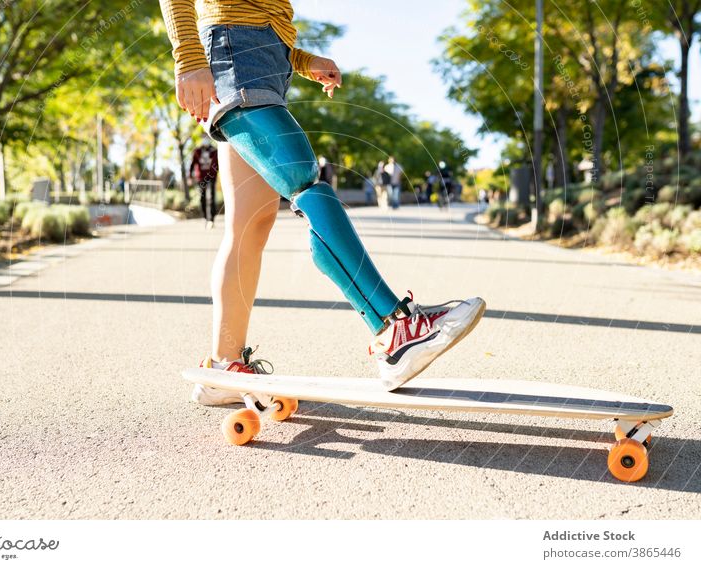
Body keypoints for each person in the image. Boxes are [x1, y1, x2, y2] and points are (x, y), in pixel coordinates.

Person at [160, 0, 486, 402]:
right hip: (232, 55)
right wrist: (190, 58)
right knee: (305, 182)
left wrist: (300, 59)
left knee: (249, 225)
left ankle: (224, 366)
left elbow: (265, 12)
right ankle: (393, 329)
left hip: (264, 61)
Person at [190, 135, 219, 228]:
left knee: (211, 197)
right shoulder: (197, 151)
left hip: (211, 177)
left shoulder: (214, 151)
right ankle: (205, 218)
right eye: (203, 137)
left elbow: (218, 163)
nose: (205, 139)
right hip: (201, 178)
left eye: (206, 137)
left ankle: (211, 219)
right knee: (202, 199)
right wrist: (190, 176)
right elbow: (192, 164)